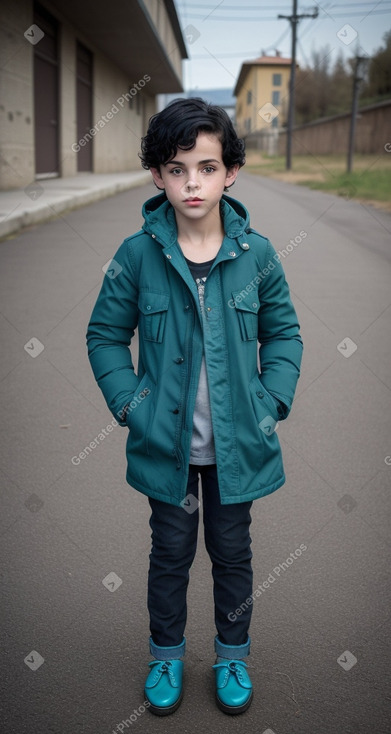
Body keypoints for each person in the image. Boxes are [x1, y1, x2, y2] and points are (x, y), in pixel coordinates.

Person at [86, 97, 303, 717]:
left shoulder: (257, 255)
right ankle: (166, 656)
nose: (192, 183)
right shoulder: (137, 254)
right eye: (177, 169)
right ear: (157, 175)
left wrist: (272, 396)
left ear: (230, 171)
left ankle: (233, 653)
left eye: (206, 168)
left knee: (233, 554)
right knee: (170, 554)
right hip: (168, 451)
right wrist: (131, 404)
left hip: (238, 449)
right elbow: (105, 335)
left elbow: (284, 332)